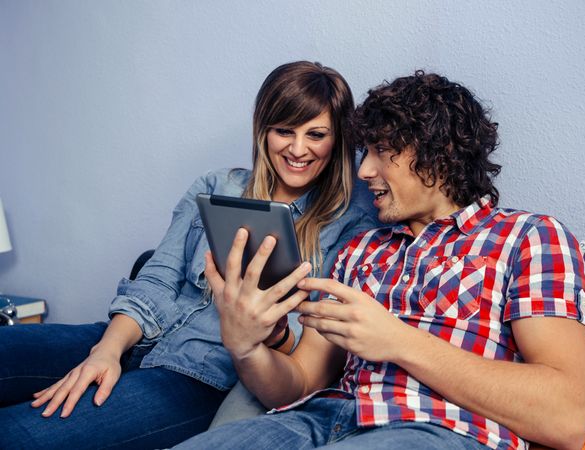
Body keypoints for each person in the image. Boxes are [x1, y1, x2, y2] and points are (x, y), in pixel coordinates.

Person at [174, 71, 585, 450]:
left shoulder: (529, 238)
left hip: (435, 430)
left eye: (380, 151)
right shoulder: (362, 251)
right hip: (321, 420)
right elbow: (298, 383)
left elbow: (566, 417)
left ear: (439, 151)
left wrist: (399, 340)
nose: (364, 171)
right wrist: (245, 346)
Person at [0, 61, 377, 449]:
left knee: (16, 433)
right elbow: (157, 279)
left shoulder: (351, 226)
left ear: (339, 140)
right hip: (133, 337)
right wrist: (107, 352)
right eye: (284, 131)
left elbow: (304, 355)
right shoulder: (218, 185)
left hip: (199, 378)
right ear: (263, 130)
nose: (298, 149)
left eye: (316, 134)